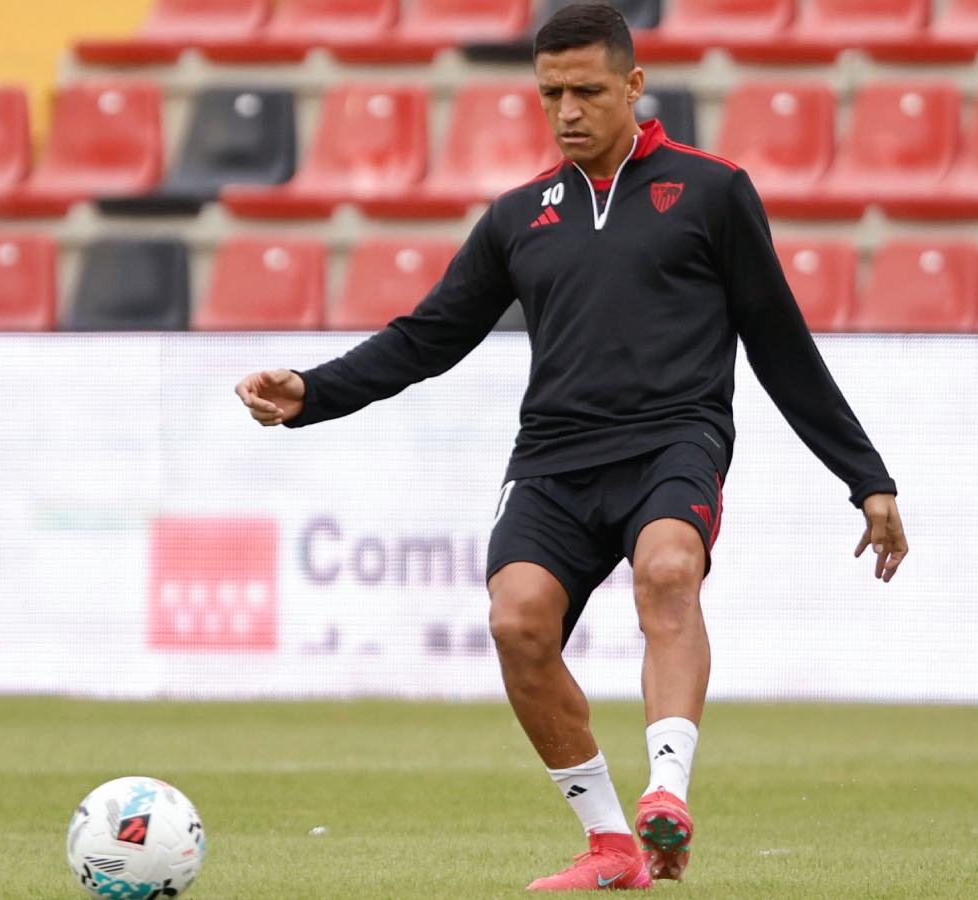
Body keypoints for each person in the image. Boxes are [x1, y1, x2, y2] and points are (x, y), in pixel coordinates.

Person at [235, 2, 909, 890]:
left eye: (587, 90)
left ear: (633, 85)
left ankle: (666, 793)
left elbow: (779, 342)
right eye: (550, 93)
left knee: (669, 569)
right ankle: (611, 846)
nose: (567, 111)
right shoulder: (519, 217)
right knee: (516, 620)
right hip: (552, 461)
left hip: (674, 440)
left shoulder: (710, 191)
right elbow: (427, 337)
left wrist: (866, 478)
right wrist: (315, 392)